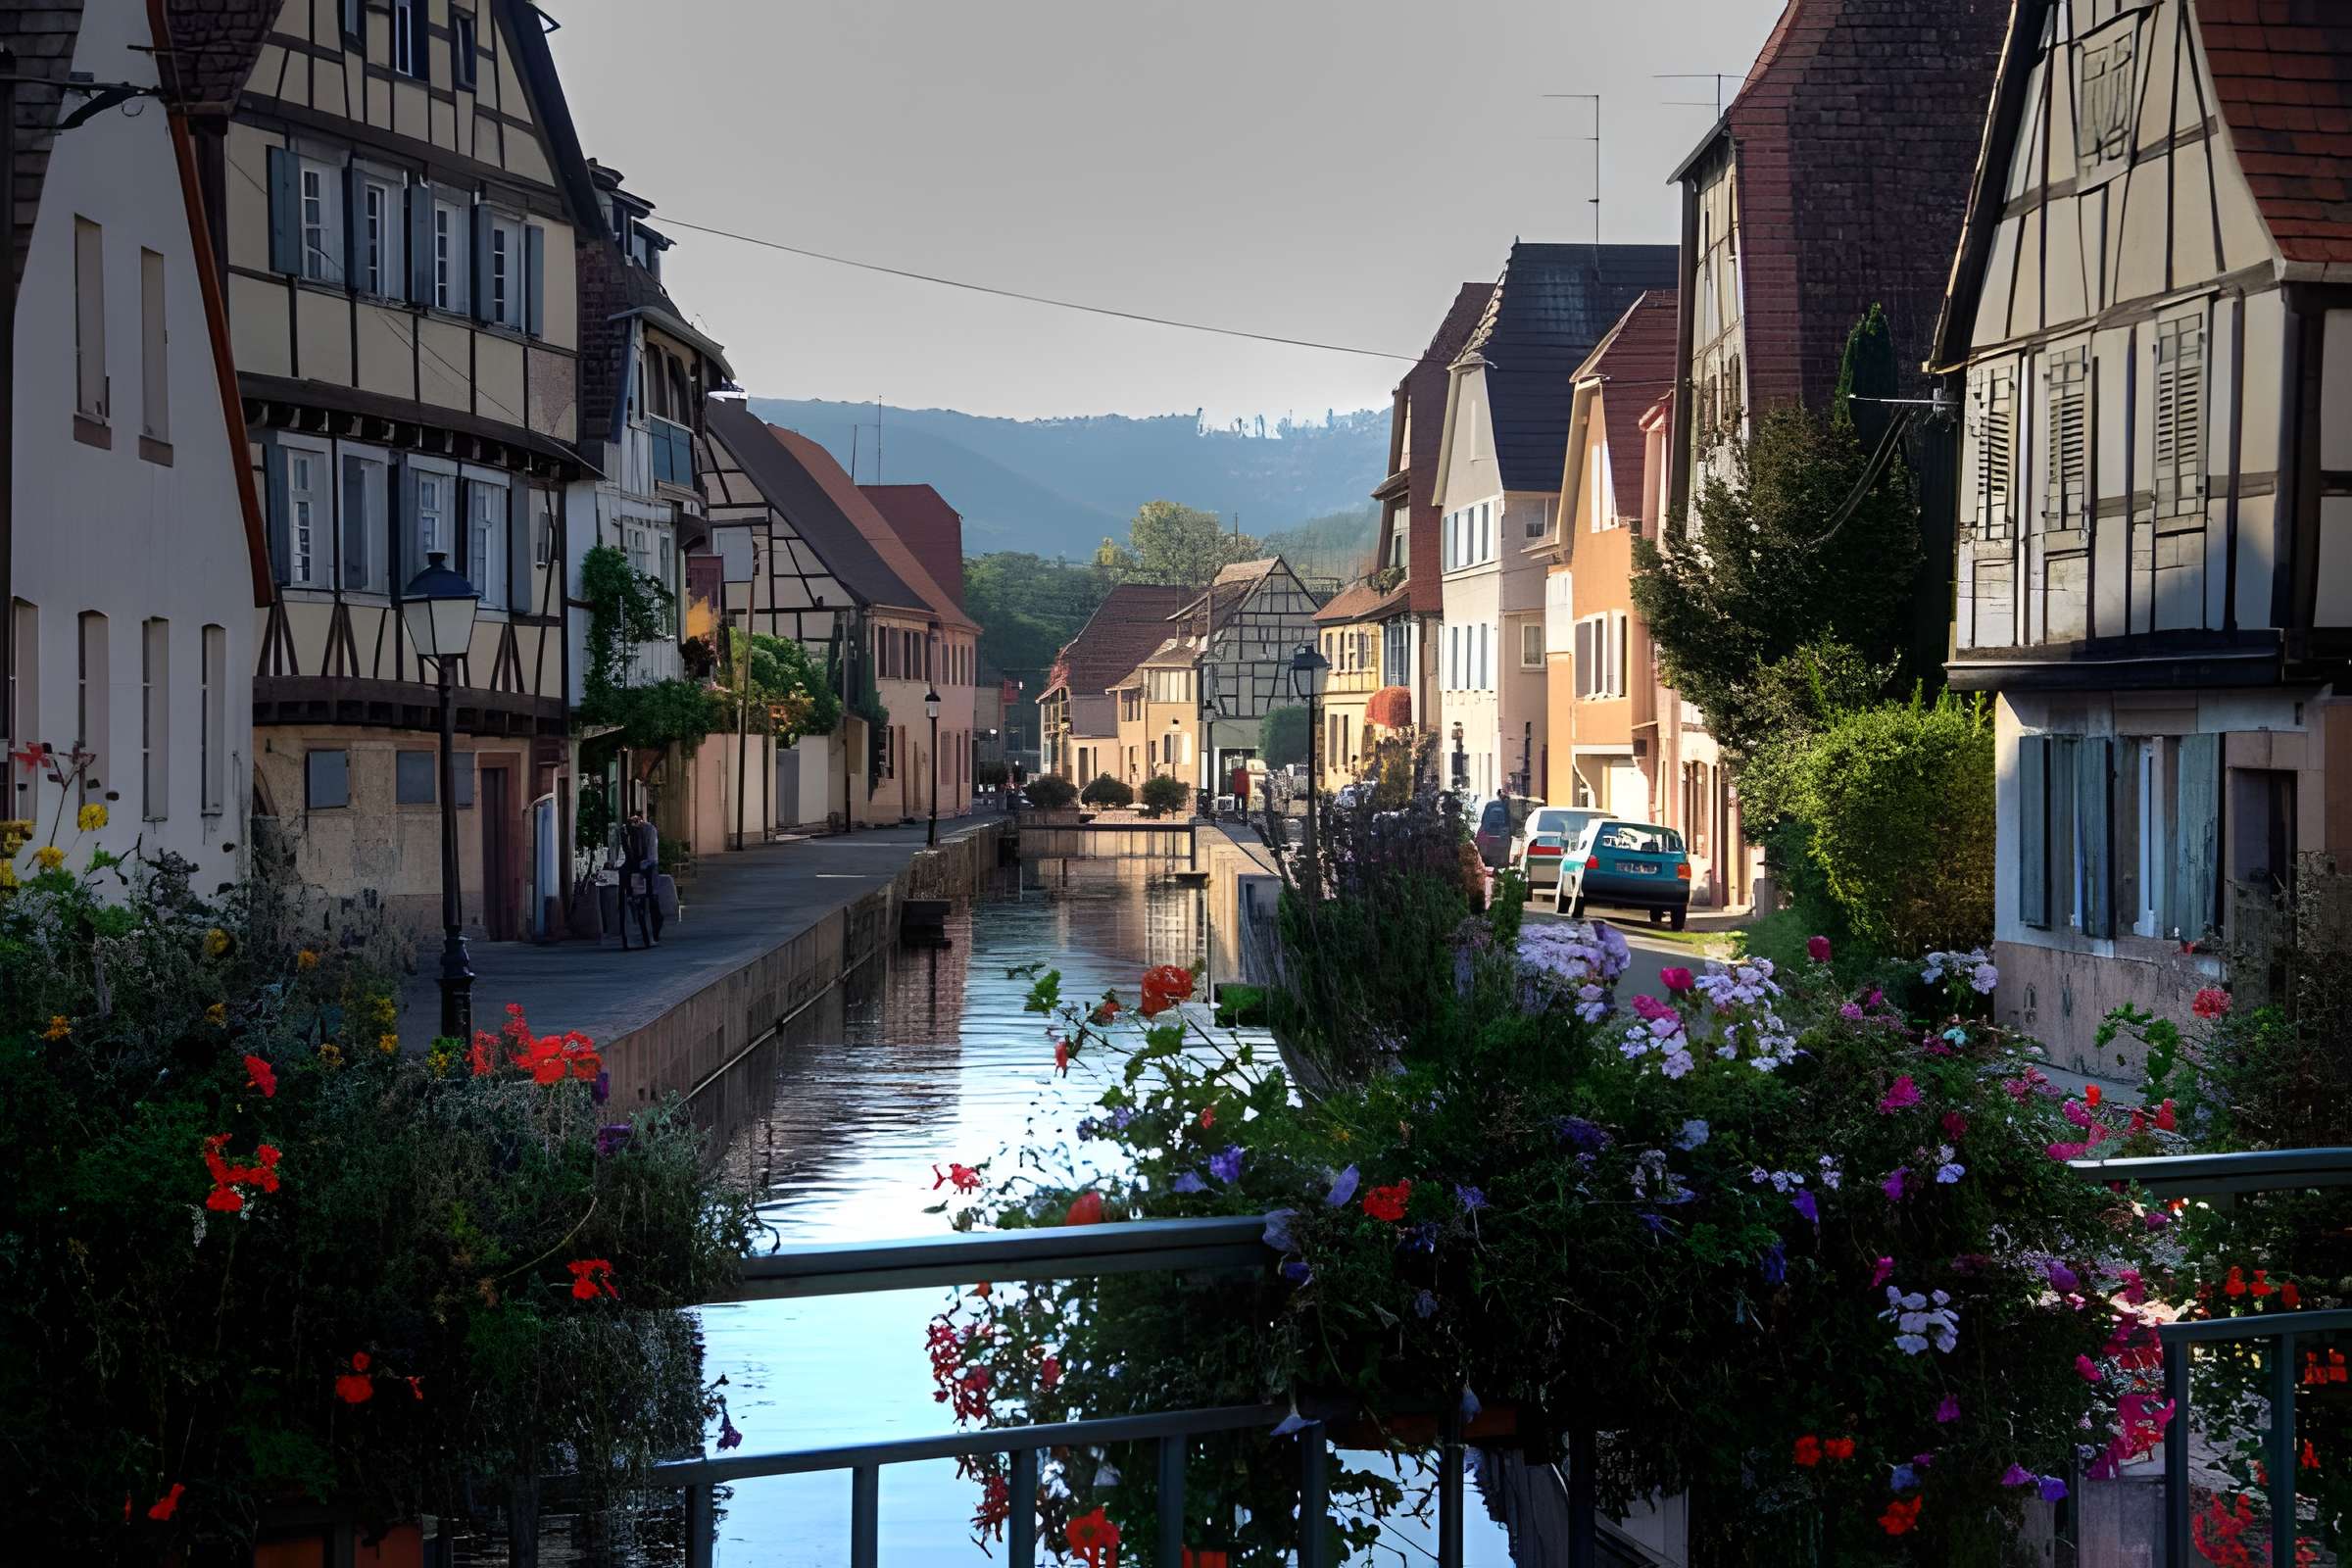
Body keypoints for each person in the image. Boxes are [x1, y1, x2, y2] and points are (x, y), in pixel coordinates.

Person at [622, 808, 662, 948]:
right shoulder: (628, 832)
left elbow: (651, 855)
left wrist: (641, 866)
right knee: (640, 901)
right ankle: (645, 934)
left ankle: (652, 932)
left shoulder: (648, 830)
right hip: (639, 869)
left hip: (647, 869)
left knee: (649, 900)